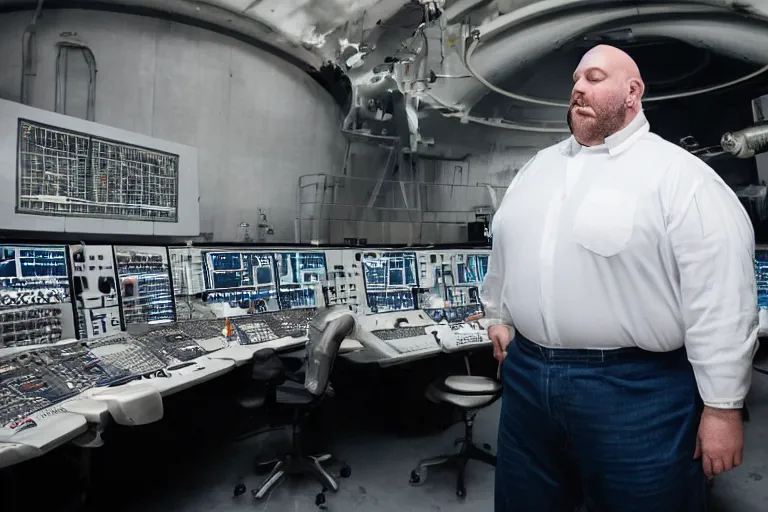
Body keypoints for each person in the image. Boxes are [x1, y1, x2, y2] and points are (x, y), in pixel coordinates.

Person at [481, 44, 758, 511]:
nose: (577, 89)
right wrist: (498, 313)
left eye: (593, 78)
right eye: (575, 80)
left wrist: (722, 407)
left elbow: (722, 298)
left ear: (632, 92)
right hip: (528, 378)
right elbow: (506, 250)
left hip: (636, 388)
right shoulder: (536, 170)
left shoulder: (681, 177)